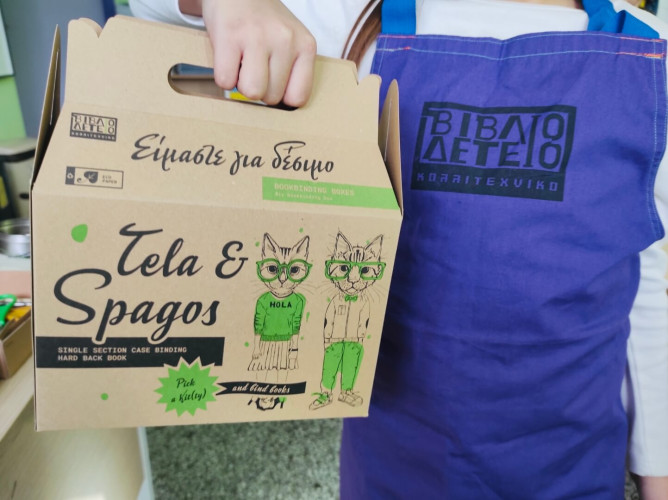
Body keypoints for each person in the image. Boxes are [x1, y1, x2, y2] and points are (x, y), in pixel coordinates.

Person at [130, 0, 668, 497]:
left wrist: (657, 473)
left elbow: (644, 280)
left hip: (568, 468)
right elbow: (150, 11)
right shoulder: (352, 16)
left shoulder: (649, 51)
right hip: (394, 461)